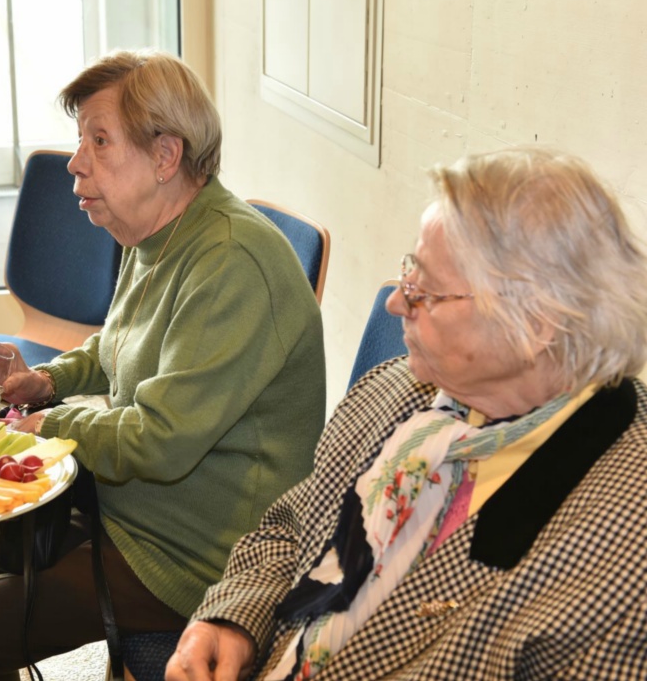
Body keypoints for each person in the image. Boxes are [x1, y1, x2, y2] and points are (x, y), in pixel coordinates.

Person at [0, 50, 327, 680]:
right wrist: (46, 381)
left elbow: (159, 441)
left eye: (99, 141)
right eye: (81, 140)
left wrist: (45, 426)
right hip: (135, 514)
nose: (76, 162)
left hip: (203, 558)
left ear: (165, 156)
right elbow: (119, 344)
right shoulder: (156, 232)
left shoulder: (231, 263)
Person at [165, 147, 647, 681]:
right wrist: (232, 621)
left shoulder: (624, 558)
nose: (396, 303)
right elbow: (293, 530)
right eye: (408, 270)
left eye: (426, 292)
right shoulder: (395, 390)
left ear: (536, 325)